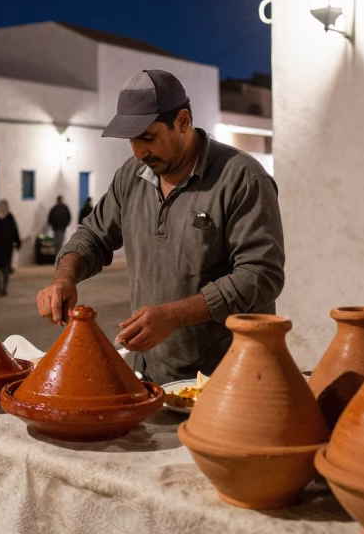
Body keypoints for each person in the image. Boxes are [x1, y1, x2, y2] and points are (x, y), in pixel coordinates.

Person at [36, 69, 285, 385]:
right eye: (132, 141)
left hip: (233, 379)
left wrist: (173, 316)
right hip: (153, 377)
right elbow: (93, 235)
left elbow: (261, 275)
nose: (140, 152)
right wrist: (64, 277)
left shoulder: (242, 178)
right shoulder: (131, 176)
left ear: (182, 122)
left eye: (149, 138)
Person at [0, 199, 21, 297]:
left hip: (6, 247)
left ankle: (3, 288)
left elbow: (14, 231)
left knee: (5, 268)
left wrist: (17, 242)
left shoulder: (9, 217)